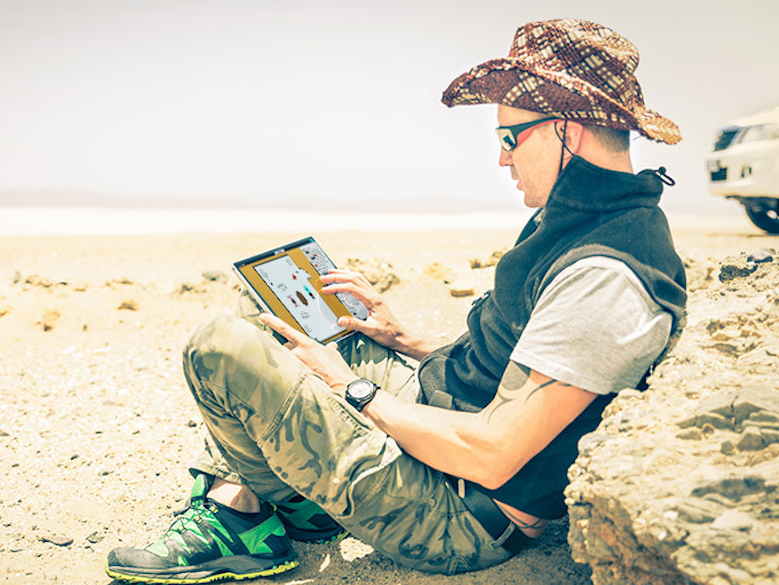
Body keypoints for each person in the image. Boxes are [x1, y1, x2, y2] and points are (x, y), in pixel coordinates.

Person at [105, 18, 688, 582]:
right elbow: (520, 363)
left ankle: (245, 522)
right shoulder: (576, 219)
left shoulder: (606, 273)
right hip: (442, 420)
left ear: (568, 129)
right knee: (270, 302)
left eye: (510, 137)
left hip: (461, 514)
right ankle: (293, 506)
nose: (502, 158)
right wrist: (399, 337)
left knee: (219, 346)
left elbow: (493, 453)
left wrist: (351, 387)